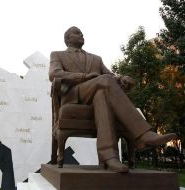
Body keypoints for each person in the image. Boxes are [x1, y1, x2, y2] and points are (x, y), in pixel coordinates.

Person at [49, 26, 177, 173]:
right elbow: (54, 73)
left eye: (82, 33)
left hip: (98, 92)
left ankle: (109, 157)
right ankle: (143, 134)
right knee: (104, 81)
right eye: (77, 33)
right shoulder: (57, 55)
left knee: (101, 94)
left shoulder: (96, 59)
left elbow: (111, 76)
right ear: (68, 39)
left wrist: (122, 78)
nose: (81, 35)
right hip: (76, 95)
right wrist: (84, 77)